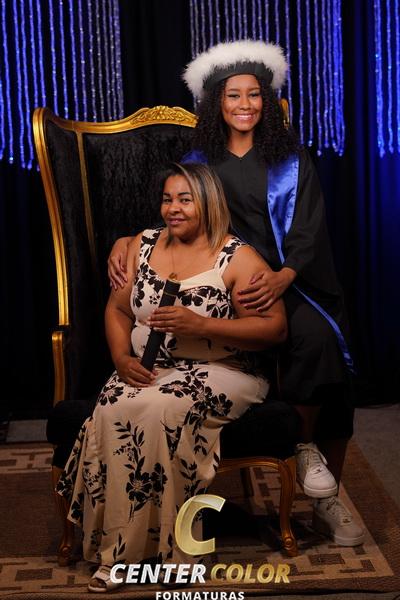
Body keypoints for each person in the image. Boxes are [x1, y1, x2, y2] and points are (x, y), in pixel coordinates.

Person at [108, 40, 365, 547]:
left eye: (254, 95)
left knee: (318, 339)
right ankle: (298, 447)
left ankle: (317, 477)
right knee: (255, 331)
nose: (245, 105)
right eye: (233, 96)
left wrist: (284, 277)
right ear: (216, 104)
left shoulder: (291, 159)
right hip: (221, 282)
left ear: (267, 101)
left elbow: (309, 230)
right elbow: (177, 214)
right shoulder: (199, 161)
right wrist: (125, 239)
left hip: (289, 279)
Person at [57, 162, 287, 592]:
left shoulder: (237, 257)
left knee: (161, 409)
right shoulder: (141, 246)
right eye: (167, 199)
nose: (173, 209)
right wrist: (120, 358)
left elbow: (274, 329)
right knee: (112, 408)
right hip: (149, 365)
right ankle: (117, 553)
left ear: (208, 203)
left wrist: (202, 325)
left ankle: (178, 554)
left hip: (223, 371)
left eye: (185, 200)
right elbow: (118, 310)